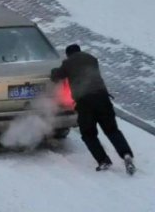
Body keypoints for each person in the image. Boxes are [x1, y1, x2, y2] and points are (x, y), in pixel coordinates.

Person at [51, 44, 136, 175]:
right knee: (112, 130)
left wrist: (53, 72)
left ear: (68, 54)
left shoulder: (68, 63)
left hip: (85, 102)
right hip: (102, 98)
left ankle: (103, 160)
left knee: (88, 134)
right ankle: (126, 154)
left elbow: (57, 75)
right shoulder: (91, 58)